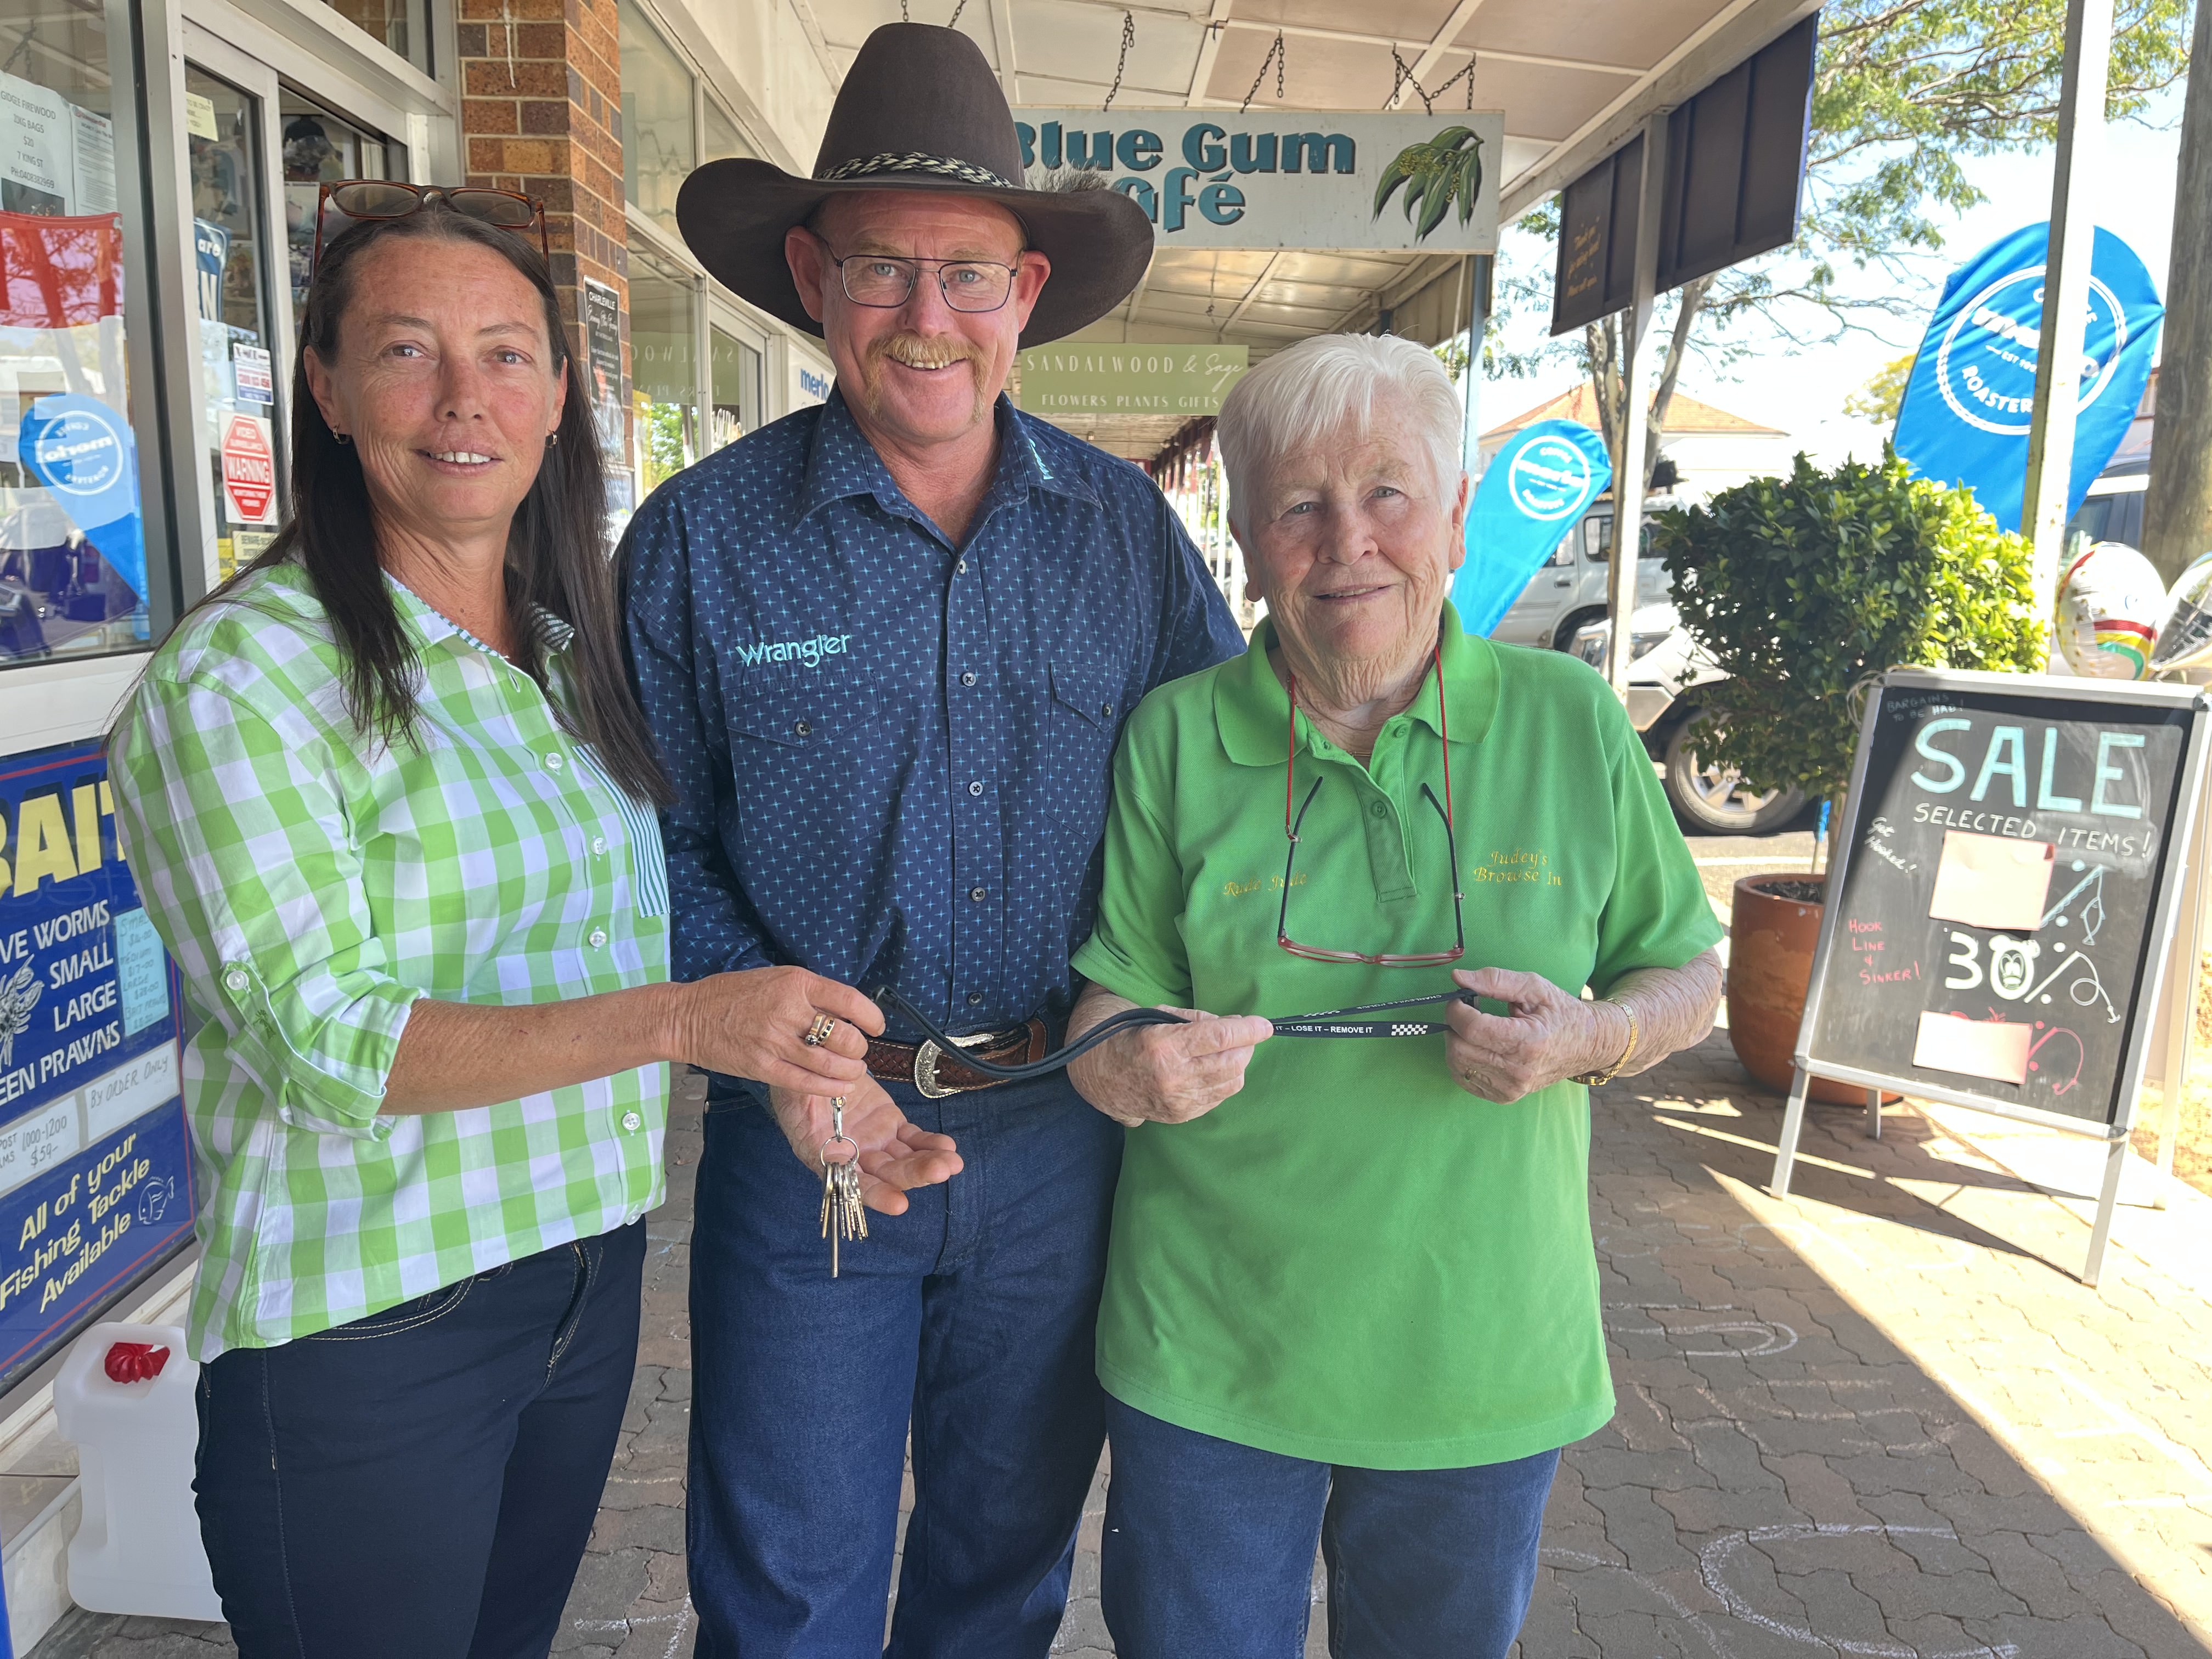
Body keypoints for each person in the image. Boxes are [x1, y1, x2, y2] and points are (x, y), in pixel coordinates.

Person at [108, 190, 885, 1659]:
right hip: (373, 1329)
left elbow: (602, 936)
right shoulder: (248, 685)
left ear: (558, 394)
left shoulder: (553, 658)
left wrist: (796, 1072)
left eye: (508, 355)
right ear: (326, 390)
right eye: (408, 352)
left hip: (579, 1282)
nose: (466, 400)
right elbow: (327, 1043)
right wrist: (688, 1022)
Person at [622, 22, 1244, 1656]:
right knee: (785, 1593)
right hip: (806, 1138)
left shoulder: (1125, 537)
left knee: (1003, 1573)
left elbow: (1229, 803)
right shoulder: (699, 541)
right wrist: (782, 1048)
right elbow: (648, 846)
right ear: (815, 278)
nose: (927, 318)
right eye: (885, 269)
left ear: (1027, 292)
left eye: (967, 275)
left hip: (1063, 1129)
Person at [1063, 332, 1727, 1658]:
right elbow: (1107, 1008)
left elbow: (1689, 971)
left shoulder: (1572, 720)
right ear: (1246, 539)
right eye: (1298, 506)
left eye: (1387, 495)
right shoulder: (1177, 735)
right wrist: (1122, 1069)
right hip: (1212, 1351)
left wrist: (1596, 1037)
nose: (1347, 543)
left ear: (1457, 519)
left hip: (1478, 1350)